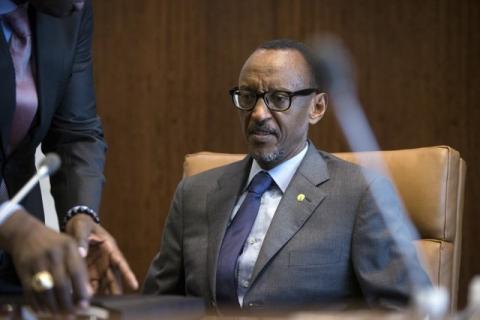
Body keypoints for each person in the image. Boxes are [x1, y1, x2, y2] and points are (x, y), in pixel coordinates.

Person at [143, 39, 431, 313]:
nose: (258, 113)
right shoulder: (195, 192)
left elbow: (407, 310)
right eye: (247, 96)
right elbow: (157, 305)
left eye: (278, 98)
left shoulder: (361, 193)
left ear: (316, 108)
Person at [0, 0, 137, 313]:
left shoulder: (70, 12)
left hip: (22, 264)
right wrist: (11, 225)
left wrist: (80, 216)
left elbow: (76, 131)